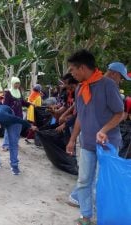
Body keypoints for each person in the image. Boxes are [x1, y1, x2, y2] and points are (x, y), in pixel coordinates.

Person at [65, 49, 124, 225]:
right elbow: (80, 118)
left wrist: (104, 130)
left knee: (103, 184)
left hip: (108, 144)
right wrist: (72, 139)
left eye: (73, 69)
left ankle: (104, 218)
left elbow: (119, 112)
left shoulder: (107, 85)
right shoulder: (80, 89)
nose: (72, 73)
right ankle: (85, 216)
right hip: (87, 144)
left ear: (82, 68)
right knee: (83, 181)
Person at [2, 77, 30, 151]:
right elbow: (5, 105)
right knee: (9, 130)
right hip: (11, 115)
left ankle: (15, 143)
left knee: (17, 130)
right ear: (12, 83)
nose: (17, 85)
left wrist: (30, 104)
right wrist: (6, 114)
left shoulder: (19, 91)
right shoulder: (8, 92)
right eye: (16, 83)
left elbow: (22, 102)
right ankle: (6, 145)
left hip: (19, 115)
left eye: (18, 83)